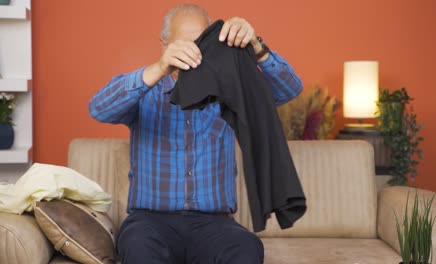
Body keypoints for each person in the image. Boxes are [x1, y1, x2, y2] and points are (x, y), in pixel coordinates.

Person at [89, 4, 303, 264]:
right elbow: (98, 108)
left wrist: (256, 47)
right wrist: (160, 67)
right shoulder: (146, 91)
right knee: (138, 250)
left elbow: (289, 89)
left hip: (214, 224)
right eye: (182, 45)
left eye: (200, 43)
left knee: (247, 249)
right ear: (164, 45)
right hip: (150, 223)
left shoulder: (230, 91)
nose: (192, 52)